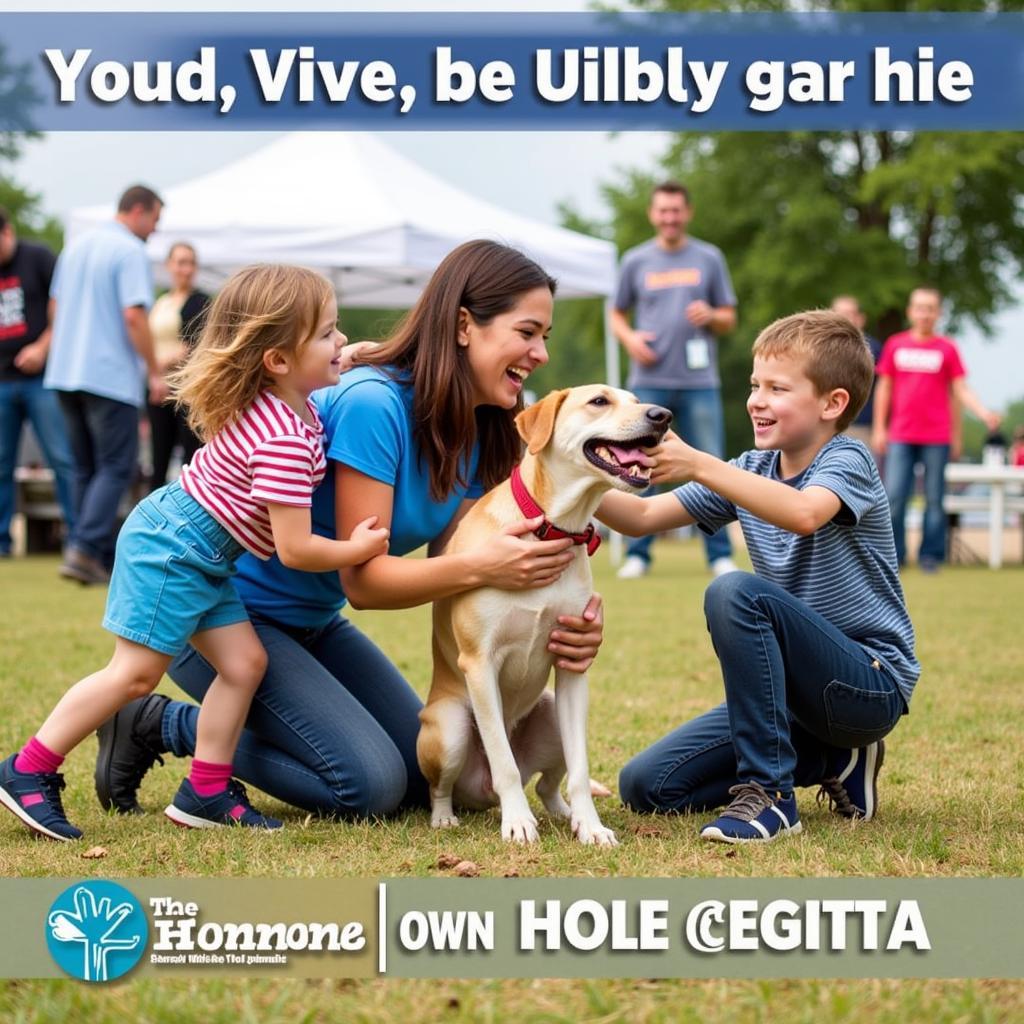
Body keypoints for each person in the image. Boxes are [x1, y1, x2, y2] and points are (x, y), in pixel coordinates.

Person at [91, 240, 606, 825]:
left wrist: (568, 614)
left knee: (422, 772)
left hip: (313, 622)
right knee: (364, 786)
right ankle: (162, 724)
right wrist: (483, 567)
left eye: (544, 337)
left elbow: (463, 569)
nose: (540, 352)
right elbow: (366, 580)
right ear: (465, 325)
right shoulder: (373, 404)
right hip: (221, 612)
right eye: (527, 332)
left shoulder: (476, 428)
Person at [0, 265, 390, 841]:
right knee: (133, 675)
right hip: (174, 549)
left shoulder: (284, 398)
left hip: (202, 553)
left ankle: (206, 789)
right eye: (328, 334)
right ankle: (27, 771)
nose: (340, 343)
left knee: (244, 665)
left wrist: (344, 355)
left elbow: (311, 367)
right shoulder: (282, 435)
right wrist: (354, 547)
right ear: (278, 360)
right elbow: (295, 549)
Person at [600, 310, 920, 844]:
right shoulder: (750, 468)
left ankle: (770, 799)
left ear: (832, 403)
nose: (756, 400)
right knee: (648, 787)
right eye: (754, 385)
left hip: (868, 683)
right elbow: (642, 517)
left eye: (777, 388)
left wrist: (702, 463)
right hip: (797, 700)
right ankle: (834, 758)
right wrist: (558, 480)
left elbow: (803, 513)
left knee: (734, 591)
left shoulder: (849, 459)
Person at [611, 180, 738, 581]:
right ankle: (639, 554)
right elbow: (616, 313)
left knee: (710, 461)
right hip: (648, 379)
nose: (670, 217)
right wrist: (631, 338)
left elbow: (729, 317)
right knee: (638, 461)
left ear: (688, 212)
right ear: (653, 214)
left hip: (700, 380)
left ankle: (718, 555)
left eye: (676, 210)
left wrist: (712, 316)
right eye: (663, 210)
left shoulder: (709, 257)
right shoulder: (635, 260)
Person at [44, 185, 167, 585]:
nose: (154, 229)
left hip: (65, 370)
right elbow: (134, 316)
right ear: (139, 211)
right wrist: (153, 369)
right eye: (155, 219)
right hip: (108, 374)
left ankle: (83, 549)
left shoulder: (76, 246)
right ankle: (85, 548)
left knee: (85, 468)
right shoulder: (129, 251)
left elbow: (55, 307)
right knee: (116, 466)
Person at [872, 287, 1001, 572]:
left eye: (930, 308)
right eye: (919, 308)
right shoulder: (896, 345)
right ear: (910, 311)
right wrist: (880, 427)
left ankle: (931, 556)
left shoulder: (947, 348)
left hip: (936, 436)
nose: (924, 314)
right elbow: (884, 387)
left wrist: (983, 413)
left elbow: (960, 389)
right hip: (901, 435)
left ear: (938, 313)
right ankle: (896, 557)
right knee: (894, 497)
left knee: (934, 499)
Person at [0, 207, 76, 556]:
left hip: (42, 379)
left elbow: (65, 307)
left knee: (61, 457)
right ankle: (2, 542)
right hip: (3, 381)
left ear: (8, 232)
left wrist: (43, 347)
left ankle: (78, 540)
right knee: (2, 463)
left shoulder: (39, 258)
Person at [147, 242, 208, 490]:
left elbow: (194, 343)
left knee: (191, 457)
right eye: (181, 262)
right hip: (158, 386)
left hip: (185, 390)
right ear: (169, 265)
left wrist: (158, 364)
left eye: (191, 262)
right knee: (158, 456)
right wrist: (153, 373)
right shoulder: (161, 301)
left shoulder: (200, 301)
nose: (187, 269)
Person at [830, 295, 882, 456]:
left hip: (862, 425)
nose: (845, 319)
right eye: (840, 314)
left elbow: (883, 388)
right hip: (825, 424)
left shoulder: (873, 349)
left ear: (860, 318)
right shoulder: (818, 347)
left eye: (850, 314)